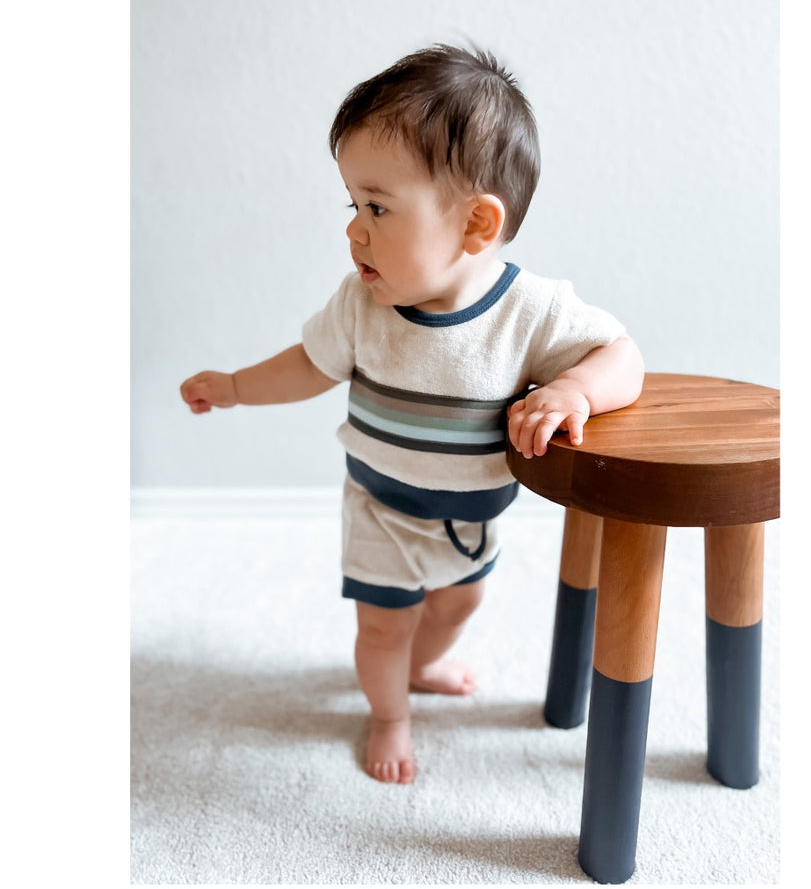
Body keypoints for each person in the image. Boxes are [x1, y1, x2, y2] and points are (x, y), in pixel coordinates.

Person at [180, 44, 644, 785]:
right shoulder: (361, 304)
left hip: (470, 517)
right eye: (353, 205)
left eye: (377, 207)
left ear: (475, 225)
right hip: (382, 511)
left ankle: (424, 668)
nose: (353, 230)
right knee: (384, 624)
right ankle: (389, 711)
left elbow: (622, 354)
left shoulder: (531, 312)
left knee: (459, 607)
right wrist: (234, 386)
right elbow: (308, 365)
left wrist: (575, 392)